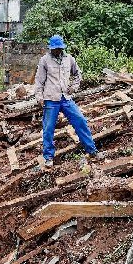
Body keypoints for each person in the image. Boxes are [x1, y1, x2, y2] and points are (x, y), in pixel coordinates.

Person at [34, 35, 98, 168]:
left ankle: (92, 150)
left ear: (61, 48)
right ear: (50, 48)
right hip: (51, 99)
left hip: (66, 98)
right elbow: (39, 80)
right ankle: (49, 157)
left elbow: (77, 75)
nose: (56, 51)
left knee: (80, 121)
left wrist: (73, 87)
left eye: (58, 49)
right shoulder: (44, 60)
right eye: (53, 49)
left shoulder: (69, 59)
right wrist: (39, 97)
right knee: (48, 129)